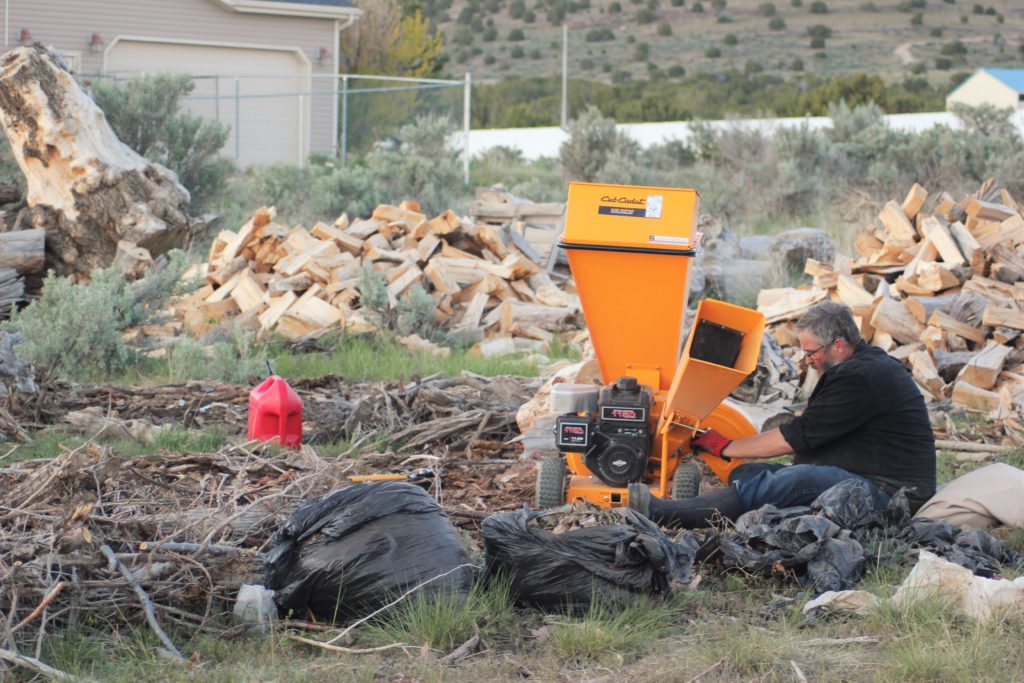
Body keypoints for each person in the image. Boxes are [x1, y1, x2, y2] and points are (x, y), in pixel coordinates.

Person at [629, 300, 936, 528]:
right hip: (864, 475)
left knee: (794, 479)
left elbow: (797, 437)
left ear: (839, 346)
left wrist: (726, 447)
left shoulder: (862, 377)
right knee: (748, 475)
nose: (808, 362)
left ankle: (666, 515)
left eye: (811, 353)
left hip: (890, 494)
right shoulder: (864, 368)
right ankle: (732, 511)